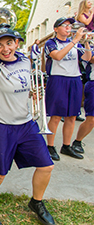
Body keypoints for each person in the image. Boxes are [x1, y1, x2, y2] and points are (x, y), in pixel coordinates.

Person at [0, 26, 55, 225]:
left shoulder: (25, 60)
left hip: (26, 123)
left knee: (46, 166)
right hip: (2, 126)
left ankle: (36, 202)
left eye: (9, 43)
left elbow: (23, 85)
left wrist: (32, 93)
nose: (5, 49)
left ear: (16, 43)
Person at [44, 17, 91, 161]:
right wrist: (75, 40)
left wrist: (86, 42)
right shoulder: (51, 43)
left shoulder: (75, 43)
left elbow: (87, 58)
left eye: (69, 26)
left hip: (74, 79)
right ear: (56, 29)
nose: (68, 28)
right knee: (56, 116)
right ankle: (50, 146)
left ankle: (66, 145)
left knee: (71, 116)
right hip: (58, 79)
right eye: (64, 25)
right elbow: (57, 56)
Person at [71, 42, 94, 155]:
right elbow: (91, 58)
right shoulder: (88, 46)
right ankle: (77, 142)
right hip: (93, 83)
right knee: (91, 119)